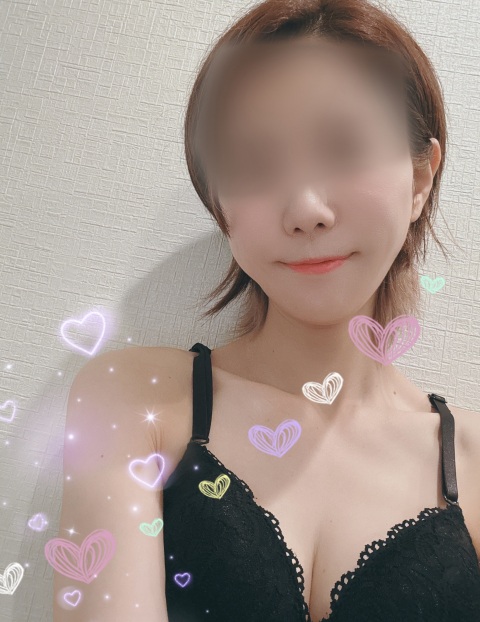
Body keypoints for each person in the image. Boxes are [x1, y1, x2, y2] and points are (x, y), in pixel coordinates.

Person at [54, 1, 480, 621]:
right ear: (219, 201)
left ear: (420, 178)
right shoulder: (134, 401)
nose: (305, 208)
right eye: (254, 164)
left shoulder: (472, 460)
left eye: (344, 148)